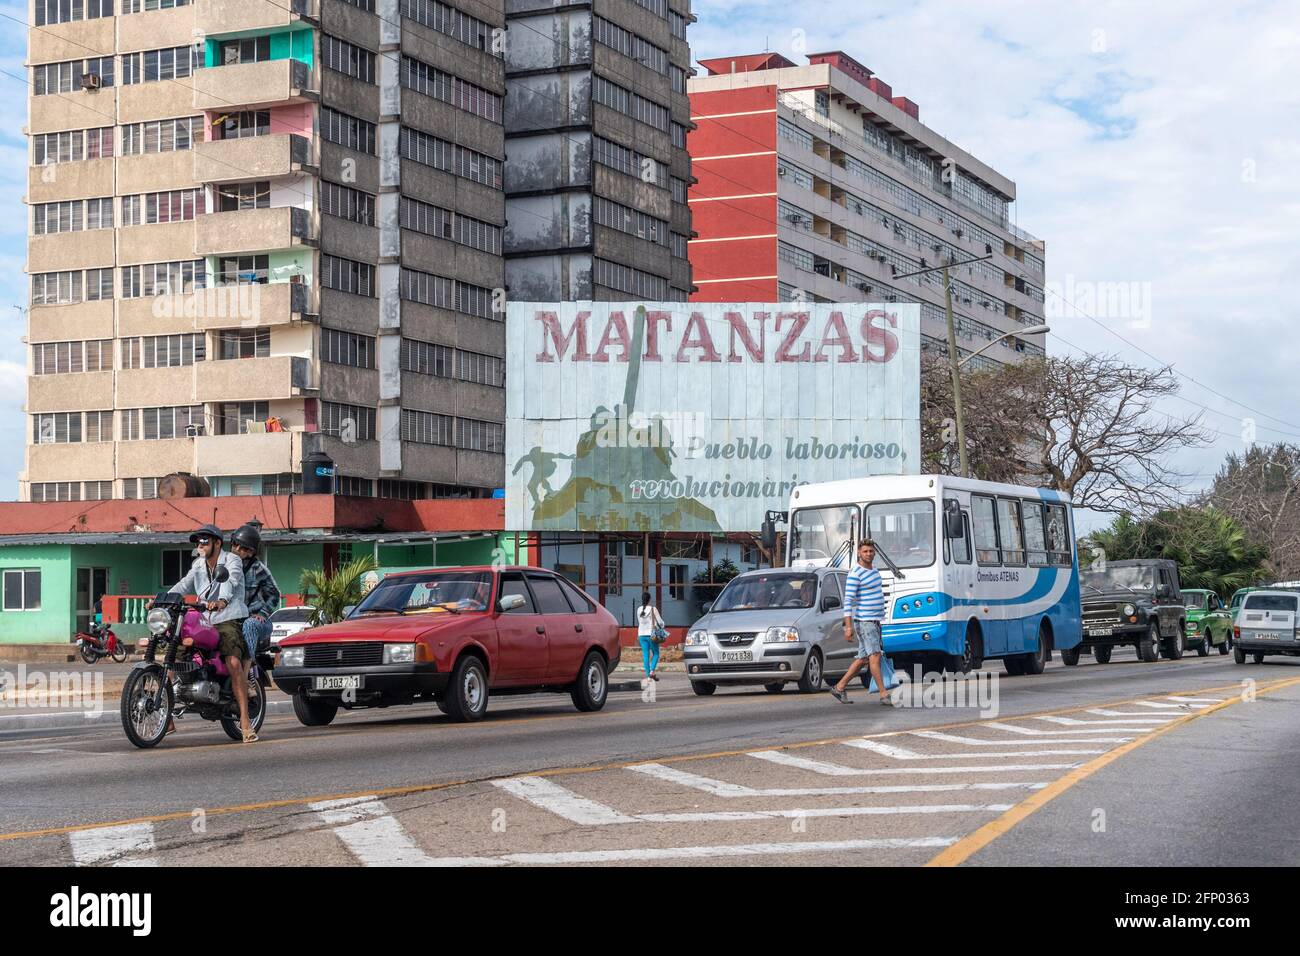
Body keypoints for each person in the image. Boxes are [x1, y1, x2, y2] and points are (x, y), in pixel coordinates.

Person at [164, 524, 254, 739]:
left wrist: (221, 601)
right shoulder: (197, 564)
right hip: (203, 618)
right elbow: (184, 585)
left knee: (233, 660)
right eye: (198, 542)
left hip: (227, 617)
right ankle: (166, 717)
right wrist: (161, 599)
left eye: (205, 541)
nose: (200, 545)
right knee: (171, 655)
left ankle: (245, 719)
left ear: (217, 543)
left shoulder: (232, 560)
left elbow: (230, 582)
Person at [829, 539, 892, 706]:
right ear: (859, 552)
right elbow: (848, 602)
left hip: (875, 621)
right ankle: (884, 694)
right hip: (865, 621)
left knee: (864, 658)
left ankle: (839, 687)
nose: (868, 554)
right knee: (875, 656)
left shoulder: (874, 570)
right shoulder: (855, 573)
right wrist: (848, 627)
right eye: (865, 551)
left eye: (871, 551)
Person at [231, 523, 280, 731]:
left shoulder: (259, 569)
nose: (237, 550)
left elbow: (275, 594)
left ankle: (248, 677)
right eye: (235, 545)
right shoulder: (226, 565)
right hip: (233, 618)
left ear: (251, 551)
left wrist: (261, 614)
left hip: (258, 621)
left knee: (250, 625)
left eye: (243, 548)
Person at [636, 592, 666, 682]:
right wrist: (663, 625)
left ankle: (648, 675)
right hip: (651, 635)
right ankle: (652, 671)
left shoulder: (638, 609)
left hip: (641, 634)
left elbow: (639, 621)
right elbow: (660, 622)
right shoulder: (653, 609)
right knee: (656, 653)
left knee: (645, 654)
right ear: (649, 599)